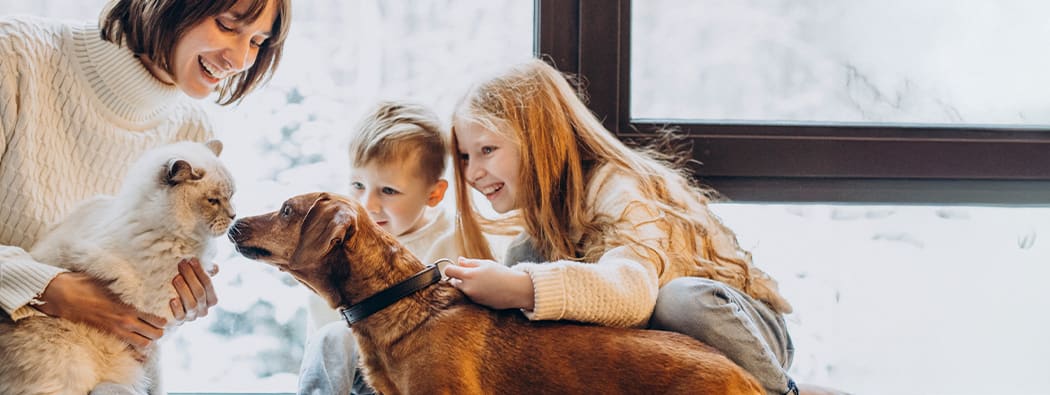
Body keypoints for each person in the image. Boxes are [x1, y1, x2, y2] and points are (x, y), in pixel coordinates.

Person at [443, 59, 799, 395]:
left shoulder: (617, 186)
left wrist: (521, 287)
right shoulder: (532, 243)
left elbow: (634, 293)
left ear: (540, 139)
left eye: (487, 149)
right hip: (679, 363)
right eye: (464, 156)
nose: (472, 172)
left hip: (747, 332)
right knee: (528, 265)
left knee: (679, 301)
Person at [0, 0, 290, 366]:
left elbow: (127, 327)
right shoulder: (14, 58)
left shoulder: (193, 138)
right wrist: (46, 289)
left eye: (257, 42)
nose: (238, 59)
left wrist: (168, 308)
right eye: (227, 25)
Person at [298, 101, 468, 395]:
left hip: (430, 375)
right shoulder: (338, 247)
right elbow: (324, 344)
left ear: (434, 194)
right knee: (335, 338)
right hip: (362, 377)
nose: (367, 205)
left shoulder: (455, 245)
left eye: (388, 191)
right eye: (357, 185)